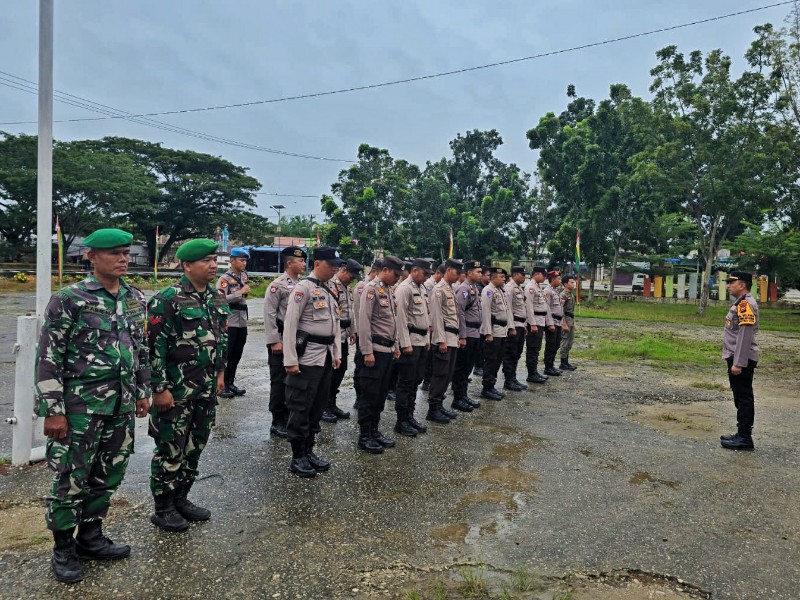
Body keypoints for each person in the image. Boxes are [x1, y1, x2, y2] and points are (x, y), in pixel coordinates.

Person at [35, 228, 150, 583]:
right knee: (71, 478)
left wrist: (144, 389)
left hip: (121, 405)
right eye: (114, 253)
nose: (123, 259)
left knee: (109, 474)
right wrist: (52, 409)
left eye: (126, 253)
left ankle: (91, 537)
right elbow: (49, 356)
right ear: (91, 257)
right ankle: (63, 549)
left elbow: (139, 348)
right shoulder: (69, 298)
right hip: (80, 408)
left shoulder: (133, 296)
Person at [148, 238, 230, 532]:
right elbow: (154, 348)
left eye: (214, 259)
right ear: (186, 265)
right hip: (177, 391)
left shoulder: (216, 298)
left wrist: (221, 374)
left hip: (206, 390)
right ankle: (163, 506)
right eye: (206, 260)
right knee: (171, 448)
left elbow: (221, 340)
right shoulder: (166, 299)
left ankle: (182, 498)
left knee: (195, 447)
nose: (213, 265)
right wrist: (160, 388)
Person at [282, 247, 343, 476]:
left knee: (317, 407)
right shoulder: (303, 289)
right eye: (331, 264)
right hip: (306, 359)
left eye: (337, 265)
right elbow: (290, 325)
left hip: (324, 358)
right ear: (318, 263)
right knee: (300, 407)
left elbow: (334, 325)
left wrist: (336, 353)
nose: (335, 268)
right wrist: (290, 359)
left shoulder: (328, 291)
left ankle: (309, 451)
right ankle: (297, 456)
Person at [356, 256, 404, 453]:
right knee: (369, 396)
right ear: (385, 269)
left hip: (387, 350)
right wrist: (366, 351)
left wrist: (397, 345)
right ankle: (365, 435)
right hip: (374, 352)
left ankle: (374, 431)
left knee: (381, 395)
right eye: (395, 274)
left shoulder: (389, 290)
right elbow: (364, 322)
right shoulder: (371, 289)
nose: (398, 278)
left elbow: (392, 322)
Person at [264, 246, 307, 438]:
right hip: (280, 338)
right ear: (290, 263)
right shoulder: (277, 285)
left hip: (296, 339)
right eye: (300, 261)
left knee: (293, 379)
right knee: (279, 380)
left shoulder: (302, 284)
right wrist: (274, 341)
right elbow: (269, 314)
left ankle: (290, 414)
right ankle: (277, 420)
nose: (304, 264)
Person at [392, 258, 433, 436]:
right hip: (410, 343)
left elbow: (426, 316)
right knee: (405, 383)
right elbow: (400, 318)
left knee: (415, 381)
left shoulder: (421, 288)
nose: (426, 277)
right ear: (415, 270)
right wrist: (405, 343)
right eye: (425, 273)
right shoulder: (404, 288)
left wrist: (428, 339)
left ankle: (410, 416)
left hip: (421, 341)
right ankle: (401, 421)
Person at [720, 271, 760, 451]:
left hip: (740, 358)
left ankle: (745, 438)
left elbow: (744, 336)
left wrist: (738, 363)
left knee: (743, 398)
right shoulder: (740, 303)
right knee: (739, 396)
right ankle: (741, 433)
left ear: (742, 285)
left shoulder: (745, 305)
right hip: (735, 356)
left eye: (731, 282)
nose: (728, 285)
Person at [321, 258, 362, 423]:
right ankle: (323, 406)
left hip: (344, 335)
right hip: (333, 337)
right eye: (351, 276)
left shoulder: (346, 287)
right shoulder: (331, 285)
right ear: (343, 270)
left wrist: (353, 330)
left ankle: (332, 403)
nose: (352, 279)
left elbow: (349, 311)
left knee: (341, 370)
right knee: (329, 372)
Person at [427, 259, 463, 423]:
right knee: (440, 375)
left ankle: (440, 405)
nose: (458, 275)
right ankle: (433, 409)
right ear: (448, 270)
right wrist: (441, 341)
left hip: (452, 338)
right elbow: (436, 317)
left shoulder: (450, 289)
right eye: (456, 272)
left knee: (447, 374)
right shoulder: (439, 290)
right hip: (444, 339)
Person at [217, 247, 251, 397]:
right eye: (241, 260)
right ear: (232, 260)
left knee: (237, 353)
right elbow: (219, 300)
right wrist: (240, 293)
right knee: (227, 354)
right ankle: (221, 384)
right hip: (230, 322)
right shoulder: (224, 279)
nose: (244, 263)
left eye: (245, 261)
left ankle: (230, 382)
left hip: (242, 320)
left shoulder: (244, 276)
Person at [451, 260, 483, 410]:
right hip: (467, 333)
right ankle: (457, 398)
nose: (481, 274)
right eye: (478, 272)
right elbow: (460, 314)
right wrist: (462, 336)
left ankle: (463, 395)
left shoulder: (473, 288)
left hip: (475, 333)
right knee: (461, 367)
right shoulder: (463, 289)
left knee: (468, 367)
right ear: (470, 272)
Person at [480, 267, 514, 400]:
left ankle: (492, 386)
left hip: (502, 331)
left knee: (498, 360)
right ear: (493, 278)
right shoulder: (488, 291)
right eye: (501, 277)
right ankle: (486, 388)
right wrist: (488, 333)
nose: (504, 278)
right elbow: (486, 313)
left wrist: (511, 327)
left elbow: (507, 310)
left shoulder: (501, 290)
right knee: (491, 360)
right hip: (493, 331)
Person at [352, 260, 382, 408]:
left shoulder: (381, 288)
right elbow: (360, 314)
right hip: (362, 333)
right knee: (360, 367)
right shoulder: (362, 287)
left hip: (373, 336)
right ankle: (359, 397)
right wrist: (358, 333)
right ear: (375, 271)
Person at [502, 266, 529, 391]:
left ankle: (513, 378)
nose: (524, 277)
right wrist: (511, 327)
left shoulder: (519, 288)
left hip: (521, 326)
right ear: (516, 274)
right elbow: (509, 310)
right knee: (510, 353)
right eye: (522, 275)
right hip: (514, 327)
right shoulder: (509, 288)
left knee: (517, 353)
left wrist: (525, 325)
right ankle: (508, 380)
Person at [524, 266, 552, 384]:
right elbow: (529, 307)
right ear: (536, 274)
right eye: (543, 275)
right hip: (534, 321)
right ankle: (531, 374)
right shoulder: (530, 287)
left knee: (537, 348)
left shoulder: (538, 286)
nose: (545, 278)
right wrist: (533, 324)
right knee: (532, 348)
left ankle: (534, 371)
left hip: (540, 321)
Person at [420, 263, 445, 391]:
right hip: (429, 324)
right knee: (429, 356)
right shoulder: (429, 285)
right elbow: (429, 307)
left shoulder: (436, 285)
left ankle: (429, 380)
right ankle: (426, 381)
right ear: (439, 273)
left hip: (433, 324)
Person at [542, 271, 564, 377]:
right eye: (558, 278)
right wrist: (550, 323)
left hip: (558, 321)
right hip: (552, 322)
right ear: (552, 279)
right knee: (551, 345)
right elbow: (547, 308)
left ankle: (551, 365)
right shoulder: (547, 291)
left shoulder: (555, 291)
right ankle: (548, 367)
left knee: (556, 344)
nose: (560, 280)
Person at [473, 268, 492, 377]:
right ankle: (478, 366)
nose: (489, 278)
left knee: (483, 346)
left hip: (484, 320)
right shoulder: (479, 288)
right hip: (478, 321)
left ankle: (481, 365)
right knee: (479, 346)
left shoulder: (486, 288)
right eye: (487, 275)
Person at [559, 275, 578, 371]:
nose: (573, 284)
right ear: (565, 284)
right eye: (571, 282)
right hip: (565, 319)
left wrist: (573, 323)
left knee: (570, 342)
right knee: (565, 342)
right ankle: (562, 363)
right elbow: (561, 310)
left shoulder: (570, 294)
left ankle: (566, 362)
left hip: (570, 319)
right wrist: (563, 323)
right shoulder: (563, 295)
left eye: (573, 282)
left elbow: (571, 311)